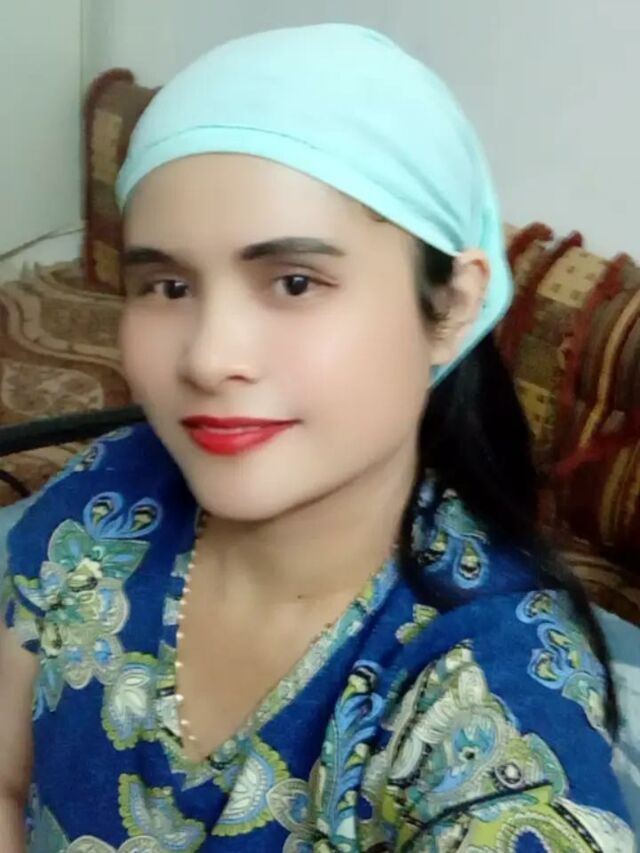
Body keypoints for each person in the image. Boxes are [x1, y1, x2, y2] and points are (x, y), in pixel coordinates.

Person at [0, 23, 635, 852]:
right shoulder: (107, 498)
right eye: (168, 285)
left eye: (295, 281)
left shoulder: (489, 704)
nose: (208, 357)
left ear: (451, 308)